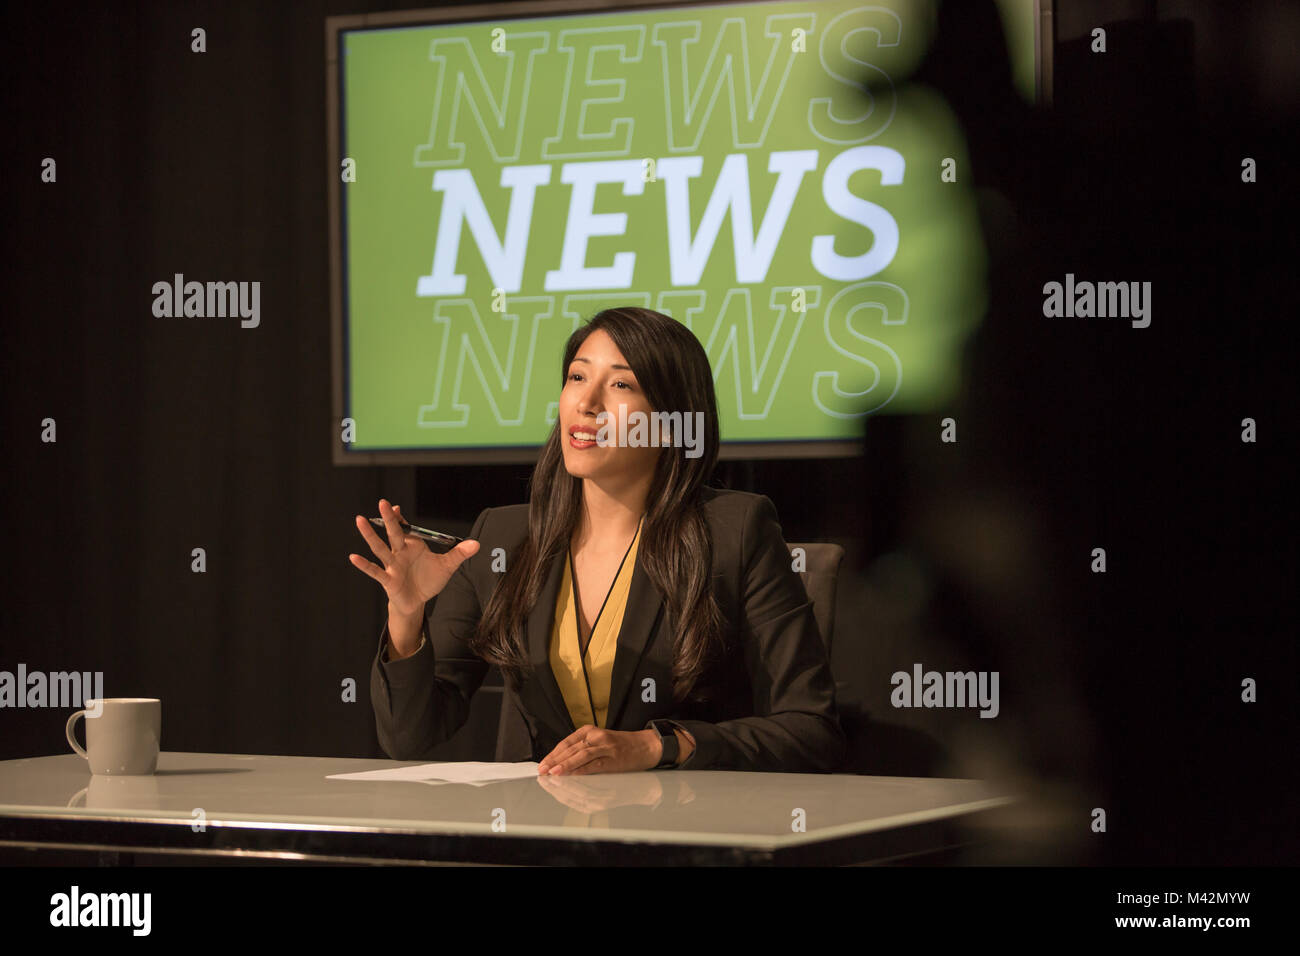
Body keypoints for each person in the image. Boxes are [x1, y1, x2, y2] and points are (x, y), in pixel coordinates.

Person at [350, 307, 845, 773]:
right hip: (542, 835)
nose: (586, 404)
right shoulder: (502, 537)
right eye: (577, 377)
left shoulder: (735, 530)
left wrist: (658, 745)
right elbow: (409, 738)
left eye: (622, 384)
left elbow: (811, 729)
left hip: (688, 831)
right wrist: (407, 615)